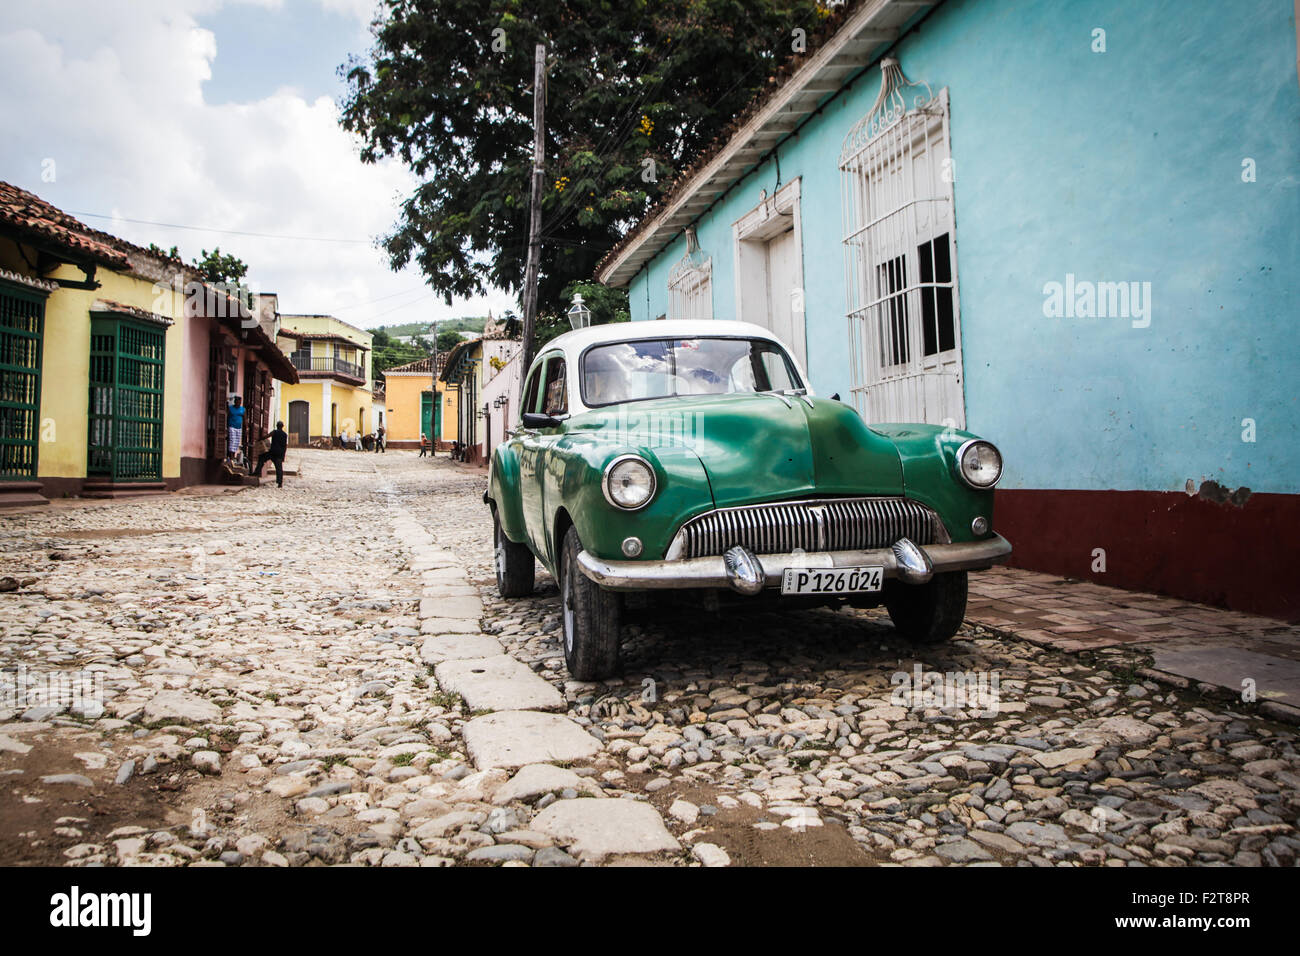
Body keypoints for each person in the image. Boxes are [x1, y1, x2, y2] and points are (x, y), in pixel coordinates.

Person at [253, 420, 289, 487]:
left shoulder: (274, 432)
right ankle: (279, 483)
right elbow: (285, 446)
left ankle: (257, 472)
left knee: (262, 458)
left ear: (277, 426)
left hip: (272, 452)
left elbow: (267, 436)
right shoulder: (285, 435)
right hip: (279, 454)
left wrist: (260, 439)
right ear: (282, 427)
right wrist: (283, 456)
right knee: (279, 468)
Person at [226, 395, 245, 463]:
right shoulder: (230, 408)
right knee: (232, 441)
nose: (238, 403)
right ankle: (231, 457)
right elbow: (227, 417)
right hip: (232, 427)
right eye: (237, 401)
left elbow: (244, 418)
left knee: (236, 443)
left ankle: (233, 457)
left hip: (239, 428)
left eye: (239, 402)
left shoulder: (242, 409)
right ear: (235, 401)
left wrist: (247, 428)